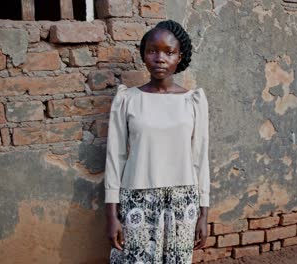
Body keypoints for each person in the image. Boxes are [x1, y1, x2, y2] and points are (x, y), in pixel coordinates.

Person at [104, 20, 210, 263]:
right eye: (152, 51)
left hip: (183, 203)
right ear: (143, 55)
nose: (160, 58)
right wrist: (111, 215)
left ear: (179, 56)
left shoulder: (193, 101)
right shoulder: (127, 100)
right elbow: (115, 157)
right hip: (137, 202)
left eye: (169, 52)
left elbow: (200, 158)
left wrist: (204, 213)